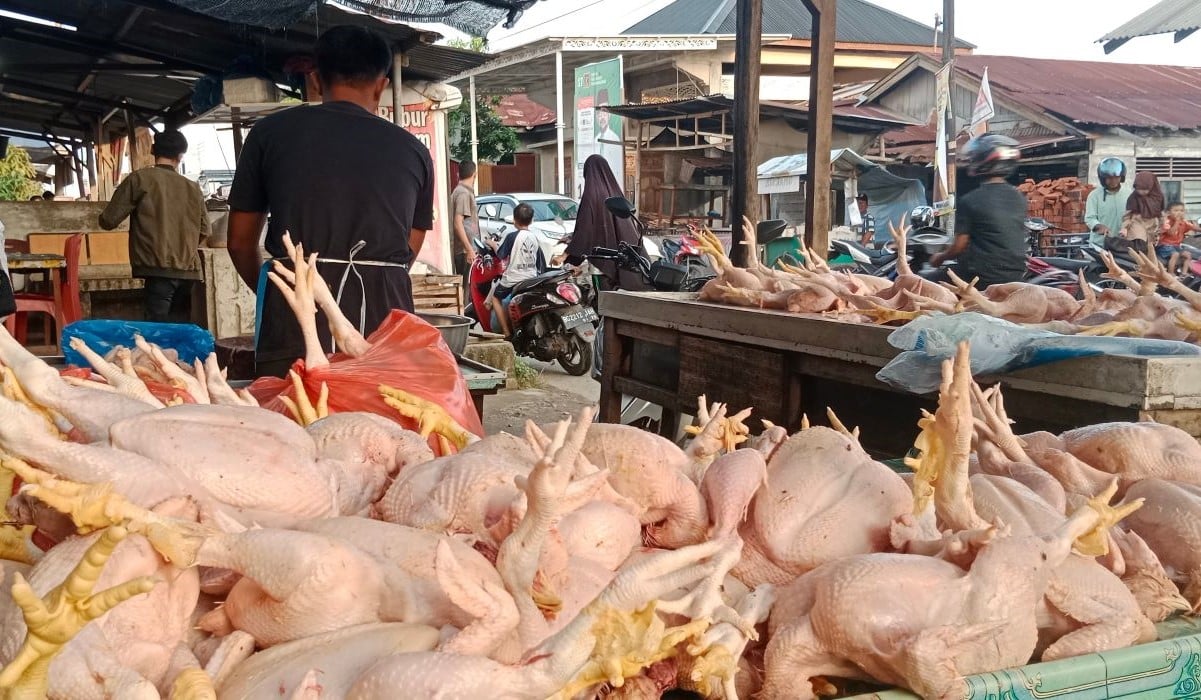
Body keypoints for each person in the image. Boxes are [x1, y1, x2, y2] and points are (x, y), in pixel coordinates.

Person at [227, 25, 434, 378]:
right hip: (385, 317)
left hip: (295, 320)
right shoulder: (414, 150)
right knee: (381, 426)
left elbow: (239, 241)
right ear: (382, 85)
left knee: (294, 420)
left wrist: (287, 289)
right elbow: (409, 248)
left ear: (316, 81)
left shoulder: (268, 134)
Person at [99, 129, 209, 323]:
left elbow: (108, 220)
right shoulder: (193, 187)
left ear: (152, 150)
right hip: (189, 271)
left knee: (157, 331)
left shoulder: (139, 179)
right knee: (179, 329)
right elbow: (205, 230)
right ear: (180, 156)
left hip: (156, 269)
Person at [928, 133, 1026, 287]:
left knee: (926, 280)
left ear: (982, 161)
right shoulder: (1019, 197)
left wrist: (939, 257)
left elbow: (959, 247)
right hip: (1016, 274)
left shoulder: (971, 200)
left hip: (979, 275)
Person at [564, 154, 646, 292]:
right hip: (627, 257)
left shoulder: (591, 195)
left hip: (603, 259)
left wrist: (568, 255)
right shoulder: (615, 191)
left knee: (603, 299)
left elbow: (585, 229)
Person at [489, 203, 543, 337]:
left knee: (495, 297)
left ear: (514, 220)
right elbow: (539, 261)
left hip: (513, 279)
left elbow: (501, 255)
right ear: (531, 220)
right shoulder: (534, 237)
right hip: (531, 278)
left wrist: (493, 244)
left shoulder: (512, 236)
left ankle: (506, 332)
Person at [1084, 157, 1131, 248]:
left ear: (1121, 177)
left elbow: (1134, 216)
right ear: (1103, 179)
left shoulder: (1129, 194)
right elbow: (1090, 218)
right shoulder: (1094, 195)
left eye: (1116, 177)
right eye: (1109, 178)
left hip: (1123, 243)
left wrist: (1127, 228)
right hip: (1099, 245)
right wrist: (1098, 226)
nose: (1113, 181)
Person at [1118, 171, 1164, 255]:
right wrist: (1124, 228)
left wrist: (1162, 226)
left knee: (1150, 248)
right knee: (1138, 244)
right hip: (1137, 222)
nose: (1141, 192)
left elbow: (1160, 213)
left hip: (1152, 224)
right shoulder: (1133, 197)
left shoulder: (1158, 197)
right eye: (1139, 189)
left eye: (1145, 189)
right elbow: (1128, 214)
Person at [450, 161, 480, 291]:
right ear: (475, 174)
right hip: (463, 251)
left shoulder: (463, 191)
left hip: (466, 250)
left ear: (458, 174)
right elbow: (458, 223)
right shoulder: (463, 193)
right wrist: (469, 249)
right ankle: (463, 313)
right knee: (466, 291)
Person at [1157, 201, 1198, 276]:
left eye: (1181, 211)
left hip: (1176, 246)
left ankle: (1184, 274)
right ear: (1169, 212)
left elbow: (1194, 227)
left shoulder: (1184, 222)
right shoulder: (1167, 221)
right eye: (1176, 210)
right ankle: (1170, 273)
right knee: (1175, 254)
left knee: (1188, 255)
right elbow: (1171, 233)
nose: (1179, 213)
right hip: (1164, 245)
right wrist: (1177, 221)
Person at [593, 89, 623, 177]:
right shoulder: (595, 139)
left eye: (604, 114)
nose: (602, 118)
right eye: (599, 114)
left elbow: (617, 166)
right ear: (596, 117)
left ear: (609, 116)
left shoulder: (615, 138)